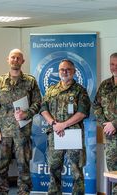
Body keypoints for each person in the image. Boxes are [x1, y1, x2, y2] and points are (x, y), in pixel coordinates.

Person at [0, 49, 41, 195]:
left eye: (18, 58)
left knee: (23, 165)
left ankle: (24, 191)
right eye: (13, 57)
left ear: (22, 61)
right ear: (8, 59)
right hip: (3, 132)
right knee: (1, 165)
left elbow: (38, 103)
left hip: (22, 131)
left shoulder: (30, 81)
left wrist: (27, 113)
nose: (15, 60)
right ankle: (0, 191)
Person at [40, 59, 90, 194]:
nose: (65, 72)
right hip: (55, 134)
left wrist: (63, 125)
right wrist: (54, 123)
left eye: (68, 69)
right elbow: (43, 109)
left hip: (73, 135)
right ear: (58, 71)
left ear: (74, 72)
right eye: (62, 69)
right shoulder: (51, 90)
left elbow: (82, 112)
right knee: (54, 170)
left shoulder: (80, 91)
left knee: (77, 171)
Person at [93, 53, 117, 193]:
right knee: (113, 172)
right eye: (112, 64)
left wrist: (115, 123)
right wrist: (105, 124)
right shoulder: (105, 85)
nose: (115, 67)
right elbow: (96, 106)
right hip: (110, 137)